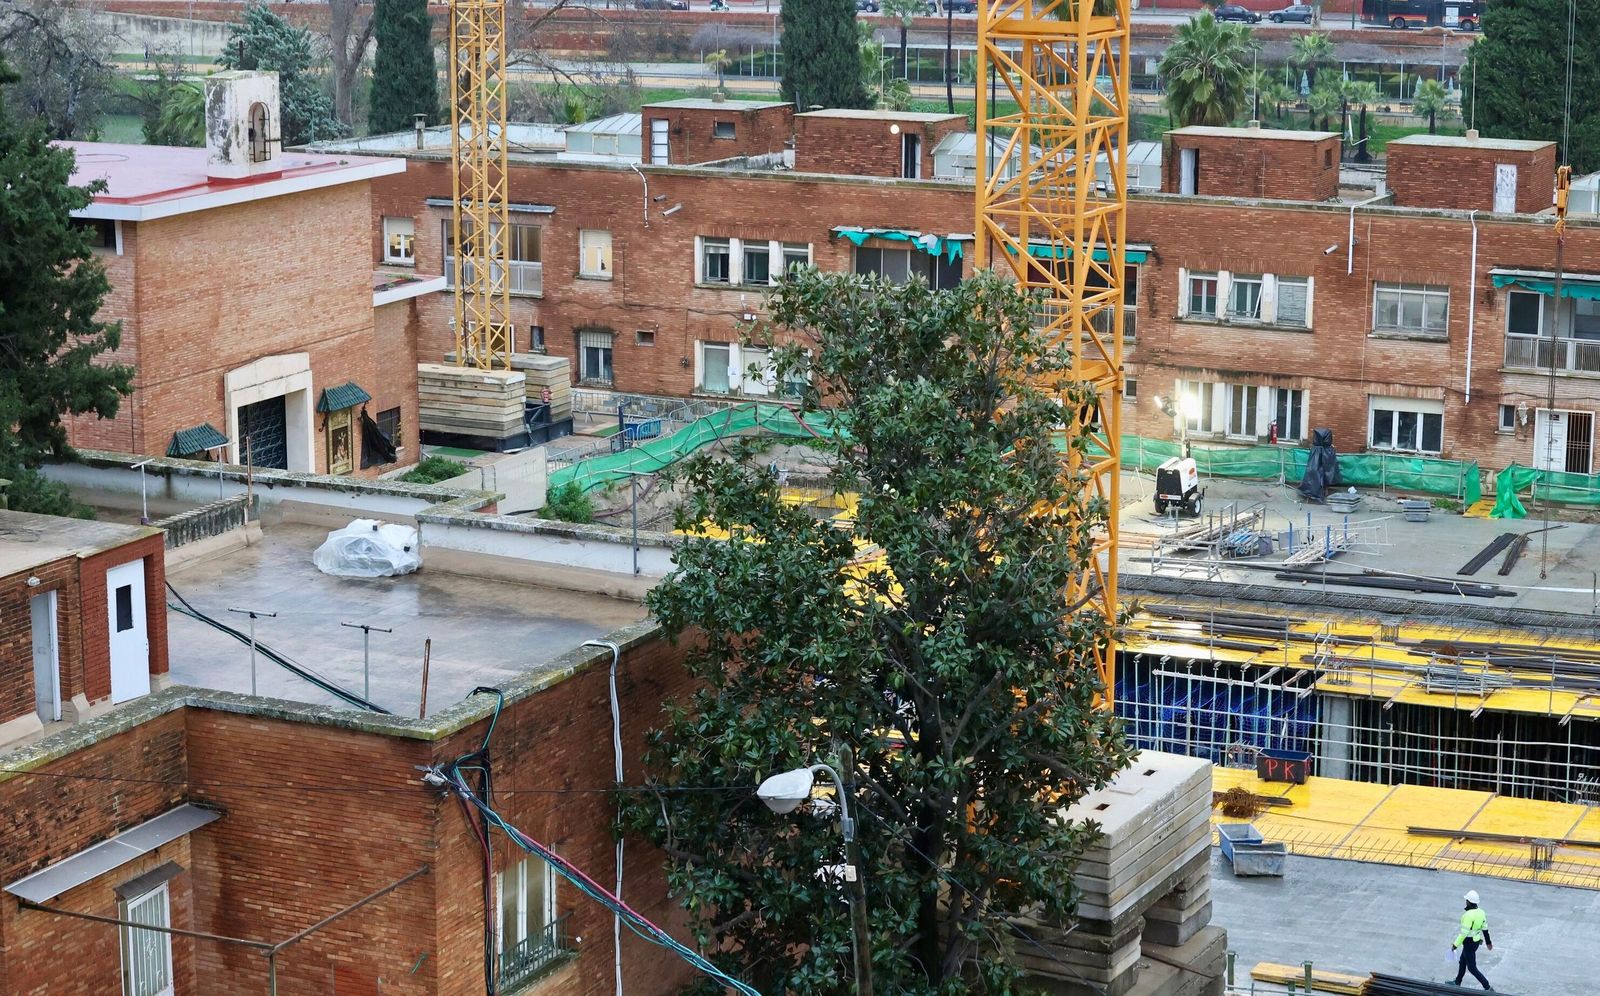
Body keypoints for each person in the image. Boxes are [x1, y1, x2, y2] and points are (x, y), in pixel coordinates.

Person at [1452, 889, 1494, 991]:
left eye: (1466, 900)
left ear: (1469, 902)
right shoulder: (1481, 912)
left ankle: (1487, 987)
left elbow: (1463, 934)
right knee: (1462, 961)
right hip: (1475, 942)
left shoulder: (1467, 915)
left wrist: (1455, 945)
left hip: (1468, 943)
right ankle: (1457, 981)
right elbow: (1485, 929)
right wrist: (1488, 942)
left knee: (1472, 968)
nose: (1465, 901)